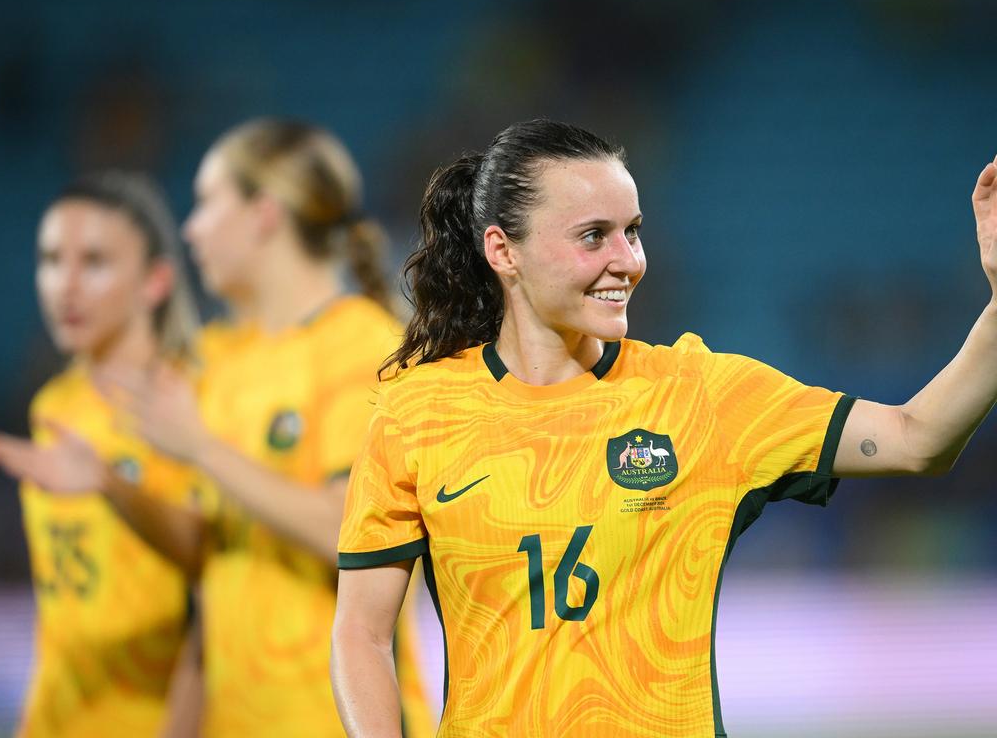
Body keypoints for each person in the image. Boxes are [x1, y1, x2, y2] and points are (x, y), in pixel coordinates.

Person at [331, 119, 997, 737]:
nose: (628, 260)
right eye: (594, 236)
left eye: (634, 231)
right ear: (504, 252)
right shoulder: (417, 412)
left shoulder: (701, 396)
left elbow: (917, 438)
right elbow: (361, 633)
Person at [9, 119, 435, 737]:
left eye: (208, 203)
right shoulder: (217, 361)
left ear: (264, 215)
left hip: (332, 719)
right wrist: (110, 485)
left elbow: (354, 532)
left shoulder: (363, 346)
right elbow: (211, 568)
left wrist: (202, 448)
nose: (190, 228)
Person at [0, 172, 200, 737]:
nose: (65, 285)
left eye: (95, 262)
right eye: (52, 260)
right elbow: (61, 610)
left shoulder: (194, 403)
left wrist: (110, 484)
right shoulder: (54, 405)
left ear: (155, 282)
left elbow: (213, 584)